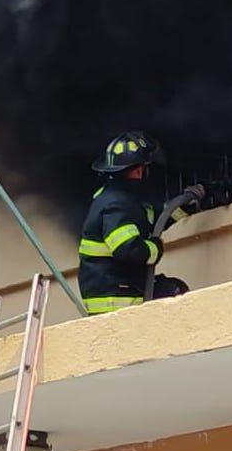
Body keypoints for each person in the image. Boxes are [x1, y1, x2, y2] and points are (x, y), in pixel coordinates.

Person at [78, 131, 199, 315]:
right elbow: (129, 250)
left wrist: (185, 207)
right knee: (174, 294)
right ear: (137, 170)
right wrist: (156, 248)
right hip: (117, 296)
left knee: (172, 289)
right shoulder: (116, 204)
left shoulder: (117, 198)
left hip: (120, 285)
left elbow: (155, 218)